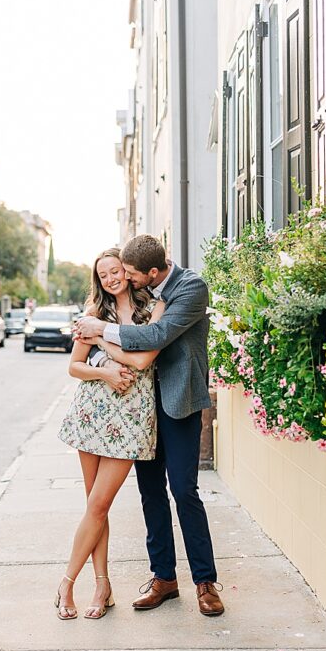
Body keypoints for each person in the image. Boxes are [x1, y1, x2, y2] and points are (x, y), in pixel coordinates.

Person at [72, 231, 224, 617]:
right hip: (138, 411)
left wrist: (98, 333)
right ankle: (164, 579)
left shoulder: (189, 288)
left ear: (151, 272)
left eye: (129, 272)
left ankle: (205, 582)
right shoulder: (138, 295)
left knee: (184, 491)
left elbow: (154, 337)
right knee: (150, 492)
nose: (124, 277)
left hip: (177, 401)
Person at [54, 246, 161, 619]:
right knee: (93, 508)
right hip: (92, 414)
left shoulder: (152, 310)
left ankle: (66, 583)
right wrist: (106, 371)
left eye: (116, 271)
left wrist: (101, 341)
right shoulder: (94, 313)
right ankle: (102, 584)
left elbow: (144, 360)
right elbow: (75, 367)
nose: (111, 279)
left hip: (130, 418)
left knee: (99, 505)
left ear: (128, 271)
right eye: (103, 275)